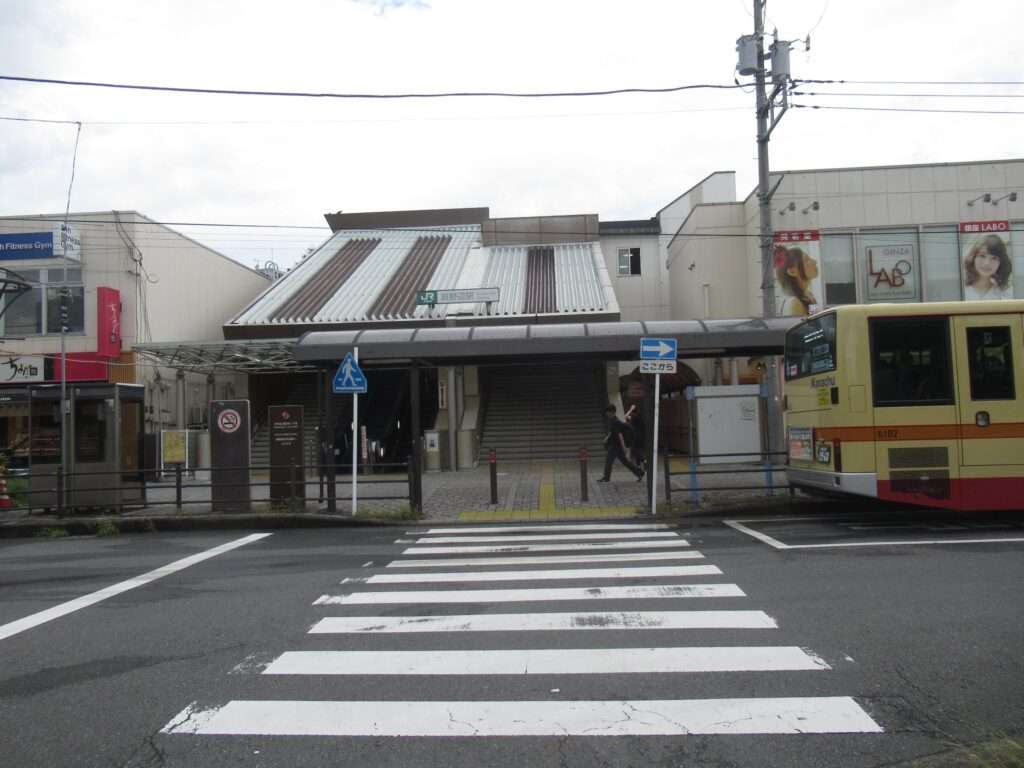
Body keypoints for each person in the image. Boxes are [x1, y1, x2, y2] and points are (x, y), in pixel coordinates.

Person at [598, 405, 644, 483]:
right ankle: (639, 472)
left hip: (615, 446)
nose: (606, 414)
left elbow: (620, 435)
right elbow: (612, 432)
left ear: (611, 412)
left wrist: (624, 448)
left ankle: (606, 477)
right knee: (625, 462)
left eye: (607, 412)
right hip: (616, 446)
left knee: (609, 461)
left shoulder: (616, 421)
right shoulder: (613, 420)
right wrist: (606, 438)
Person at [963, 234, 1014, 300]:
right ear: (973, 258)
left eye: (994, 258)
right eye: (982, 256)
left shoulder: (1006, 293)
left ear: (1001, 263)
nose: (987, 263)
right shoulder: (961, 290)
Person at [774, 245, 819, 316]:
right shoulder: (795, 303)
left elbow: (816, 322)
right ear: (792, 272)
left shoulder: (808, 295)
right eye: (806, 260)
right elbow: (813, 325)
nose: (814, 261)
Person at [624, 404, 647, 471]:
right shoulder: (639, 416)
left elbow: (625, 416)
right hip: (640, 437)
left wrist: (630, 409)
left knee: (634, 451)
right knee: (638, 451)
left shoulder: (635, 417)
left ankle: (644, 461)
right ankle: (639, 468)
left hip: (636, 437)